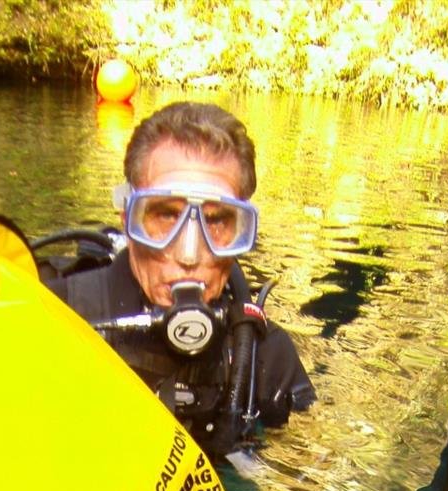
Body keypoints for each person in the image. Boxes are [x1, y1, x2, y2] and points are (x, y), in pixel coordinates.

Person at [45, 101, 316, 459]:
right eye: (164, 215)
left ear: (242, 233)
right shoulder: (53, 313)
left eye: (218, 221)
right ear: (129, 219)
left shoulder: (262, 356)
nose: (189, 255)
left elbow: (308, 474)